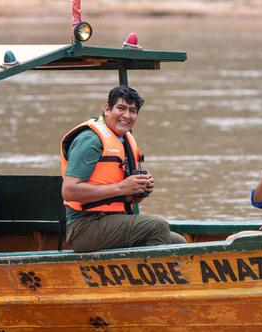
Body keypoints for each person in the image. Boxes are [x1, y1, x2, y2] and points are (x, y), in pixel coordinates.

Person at [60, 85, 186, 252]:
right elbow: (69, 191)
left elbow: (118, 197)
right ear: (107, 108)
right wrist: (122, 187)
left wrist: (138, 191)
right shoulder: (91, 140)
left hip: (111, 220)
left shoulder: (124, 140)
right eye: (121, 108)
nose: (127, 115)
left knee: (178, 241)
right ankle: (142, 276)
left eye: (133, 111)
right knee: (157, 226)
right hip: (84, 227)